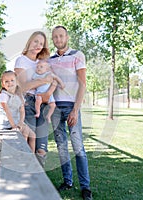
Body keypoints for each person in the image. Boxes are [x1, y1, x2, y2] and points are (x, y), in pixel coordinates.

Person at [49, 25, 92, 200]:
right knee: (61, 148)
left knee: (78, 148)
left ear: (66, 37)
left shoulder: (77, 55)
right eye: (55, 37)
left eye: (61, 36)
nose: (58, 39)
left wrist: (76, 109)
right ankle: (68, 181)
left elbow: (82, 84)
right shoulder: (50, 60)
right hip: (55, 109)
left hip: (71, 107)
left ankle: (85, 186)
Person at [14, 31, 56, 167]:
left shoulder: (42, 63)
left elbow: (53, 80)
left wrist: (48, 93)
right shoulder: (21, 60)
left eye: (41, 43)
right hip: (27, 103)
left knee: (42, 147)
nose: (38, 45)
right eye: (36, 41)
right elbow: (24, 86)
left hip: (43, 103)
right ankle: (28, 177)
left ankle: (39, 178)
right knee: (28, 142)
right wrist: (44, 80)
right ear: (30, 42)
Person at [0, 70, 36, 152]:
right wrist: (14, 126)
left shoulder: (19, 95)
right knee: (24, 134)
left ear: (16, 81)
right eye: (6, 81)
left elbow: (22, 110)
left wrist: (21, 122)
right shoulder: (4, 96)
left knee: (32, 135)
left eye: (12, 80)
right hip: (7, 124)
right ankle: (23, 154)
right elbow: (7, 112)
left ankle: (32, 156)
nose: (10, 83)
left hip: (17, 122)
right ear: (3, 84)